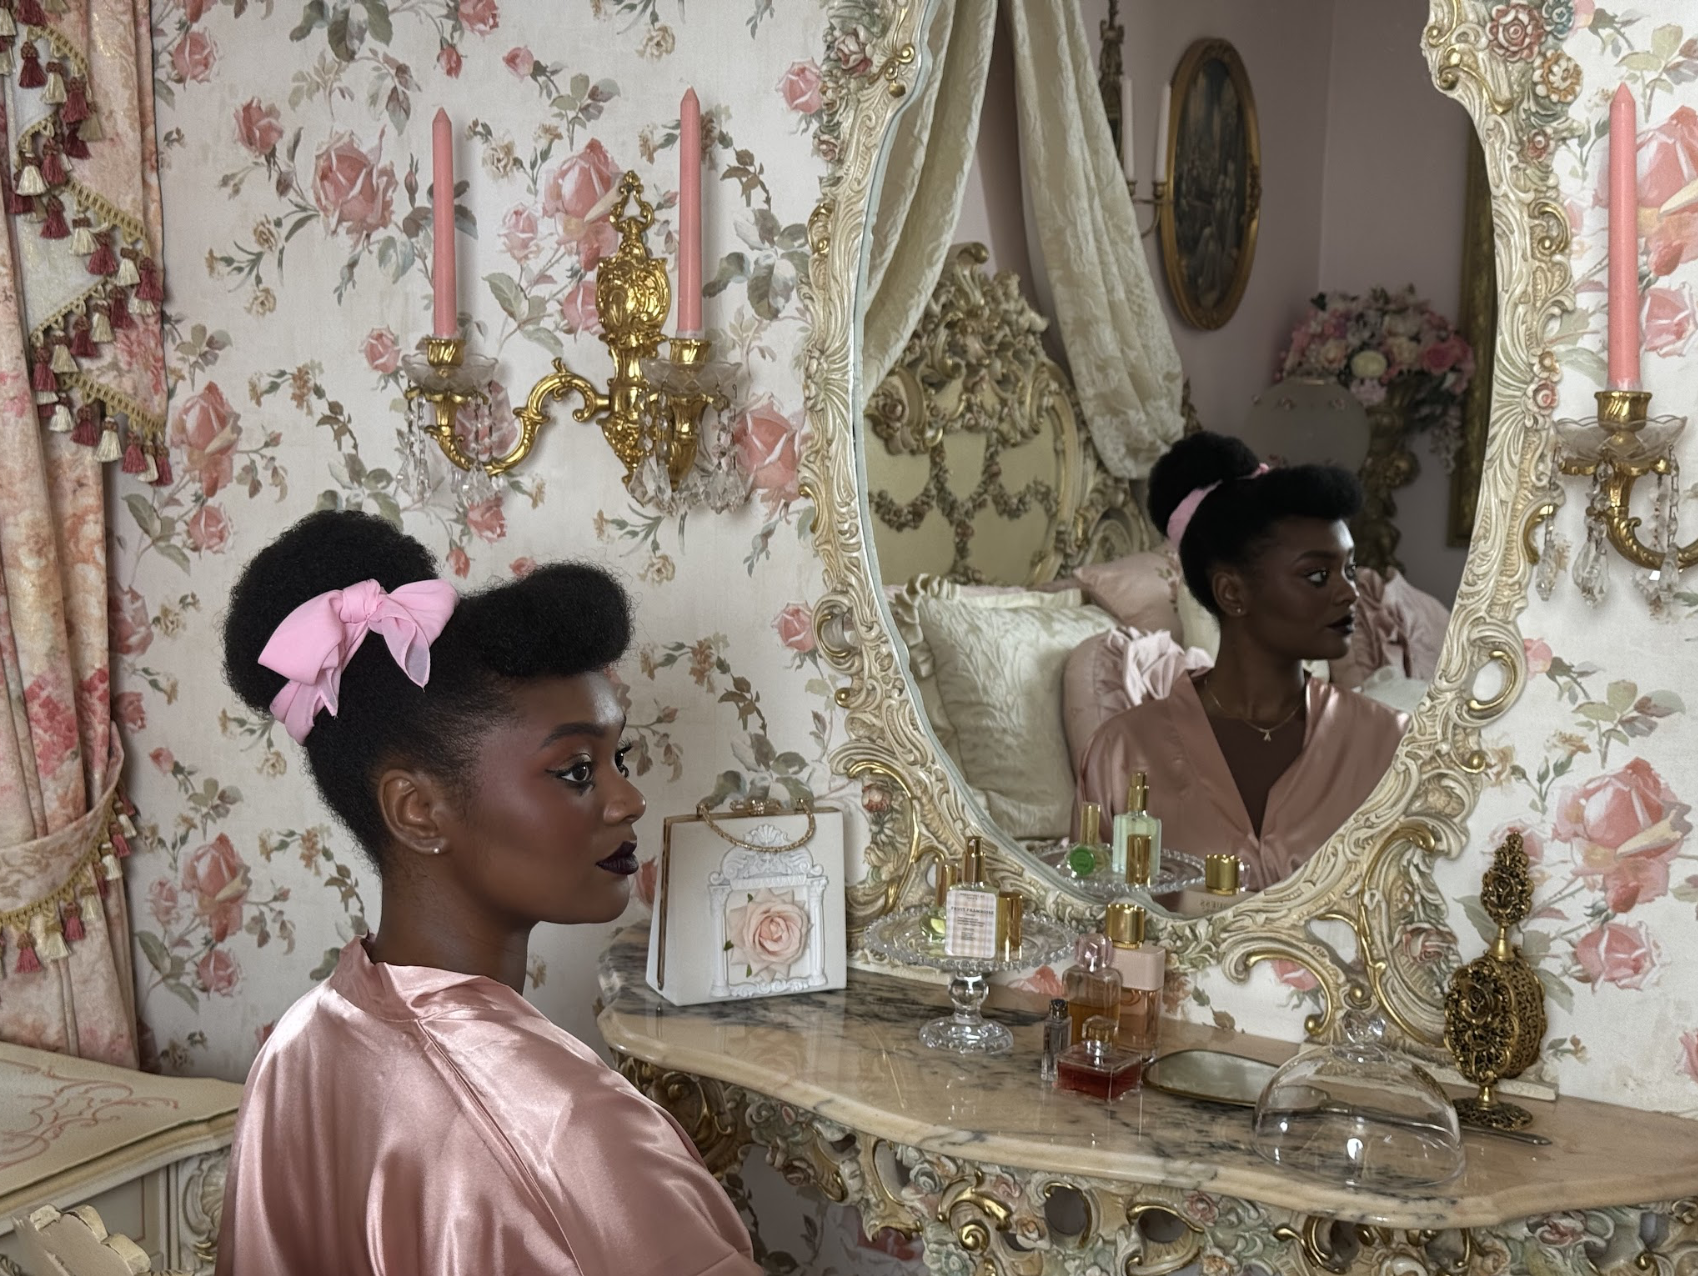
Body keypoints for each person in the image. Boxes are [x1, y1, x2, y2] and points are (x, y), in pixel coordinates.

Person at [213, 510, 758, 1276]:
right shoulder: (572, 1131)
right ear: (418, 810)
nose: (628, 800)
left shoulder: (299, 1046)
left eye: (618, 756)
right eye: (576, 769)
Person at [1076, 433, 1408, 891]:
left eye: (1349, 569)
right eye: (1317, 575)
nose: (1349, 592)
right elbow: (1092, 925)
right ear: (1232, 593)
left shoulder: (1391, 745)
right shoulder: (1122, 754)